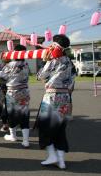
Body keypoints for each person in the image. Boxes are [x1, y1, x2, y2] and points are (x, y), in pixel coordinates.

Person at [37, 34, 75, 169]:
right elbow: (72, 83)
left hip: (52, 97)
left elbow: (40, 76)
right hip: (65, 98)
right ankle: (61, 160)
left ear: (55, 46)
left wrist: (44, 61)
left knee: (45, 127)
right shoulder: (70, 62)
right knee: (60, 130)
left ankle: (52, 155)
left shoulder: (52, 60)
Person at [0, 45, 30, 148]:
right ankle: (26, 140)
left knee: (12, 114)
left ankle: (13, 136)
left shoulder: (10, 65)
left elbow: (3, 75)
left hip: (12, 92)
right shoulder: (26, 64)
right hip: (24, 91)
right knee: (24, 115)